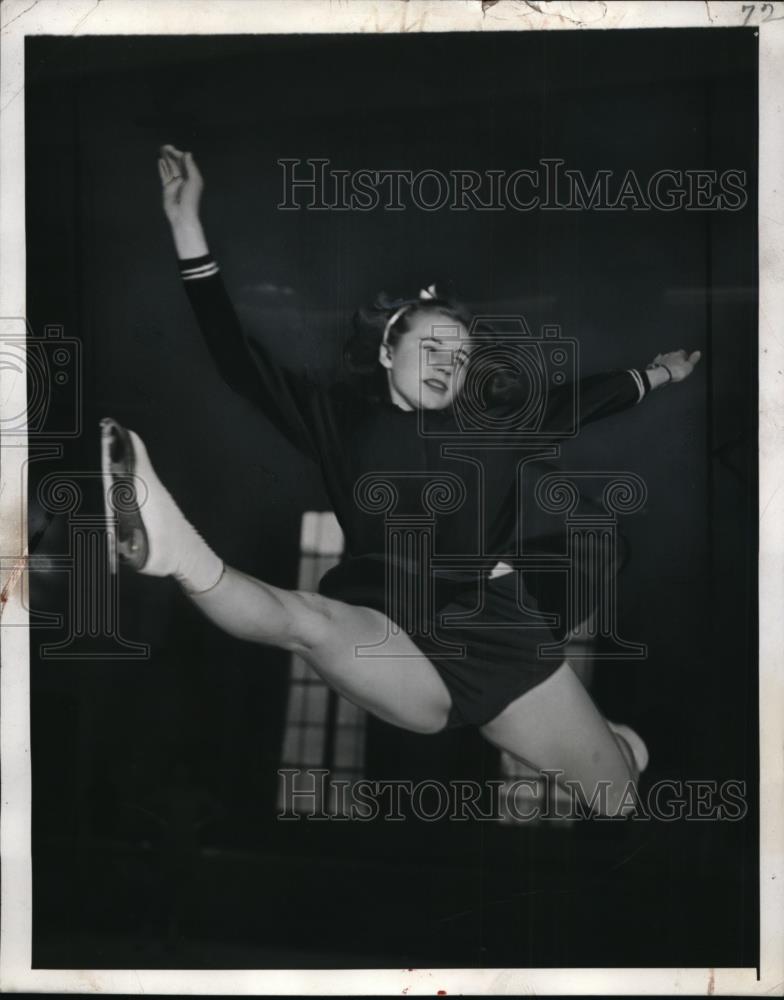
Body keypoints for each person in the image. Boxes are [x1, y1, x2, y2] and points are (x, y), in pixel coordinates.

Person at [101, 145, 702, 818]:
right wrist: (187, 228)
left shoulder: (494, 425)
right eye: (432, 347)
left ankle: (621, 750)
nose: (450, 363)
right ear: (388, 350)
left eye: (462, 354)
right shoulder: (339, 421)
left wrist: (657, 374)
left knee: (618, 798)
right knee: (308, 624)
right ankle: (172, 547)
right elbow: (238, 360)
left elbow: (584, 399)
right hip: (388, 626)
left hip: (495, 634)